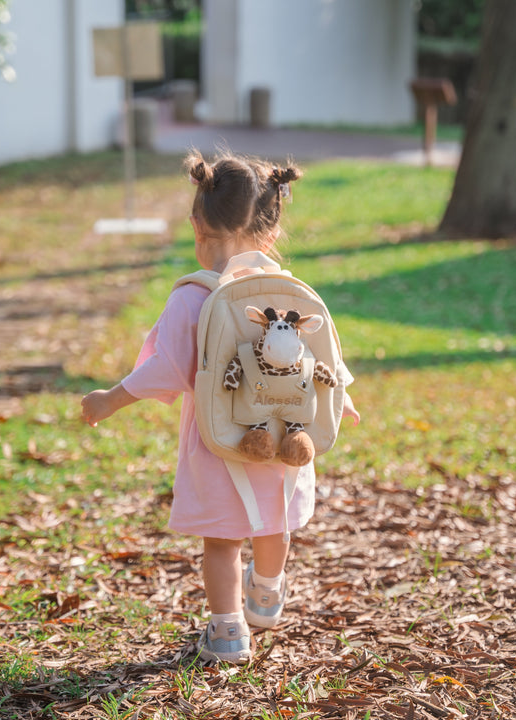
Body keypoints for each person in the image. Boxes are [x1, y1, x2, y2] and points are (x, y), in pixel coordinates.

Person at [81, 151, 360, 664]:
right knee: (274, 522)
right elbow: (319, 358)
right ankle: (268, 594)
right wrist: (343, 403)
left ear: (195, 223)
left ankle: (228, 633)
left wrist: (108, 400)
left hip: (220, 442)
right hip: (283, 436)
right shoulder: (290, 294)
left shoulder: (191, 298)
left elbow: (166, 370)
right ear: (271, 232)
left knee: (223, 541)